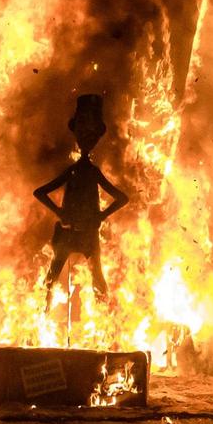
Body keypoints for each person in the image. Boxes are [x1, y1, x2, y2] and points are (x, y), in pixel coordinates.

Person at [35, 95, 129, 304]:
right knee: (52, 279)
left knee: (96, 278)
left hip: (86, 234)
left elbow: (122, 198)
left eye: (91, 132)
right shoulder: (76, 171)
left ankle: (106, 324)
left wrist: (101, 215)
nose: (87, 136)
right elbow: (40, 192)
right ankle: (42, 314)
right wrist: (60, 212)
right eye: (83, 130)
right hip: (69, 233)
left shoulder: (87, 172)